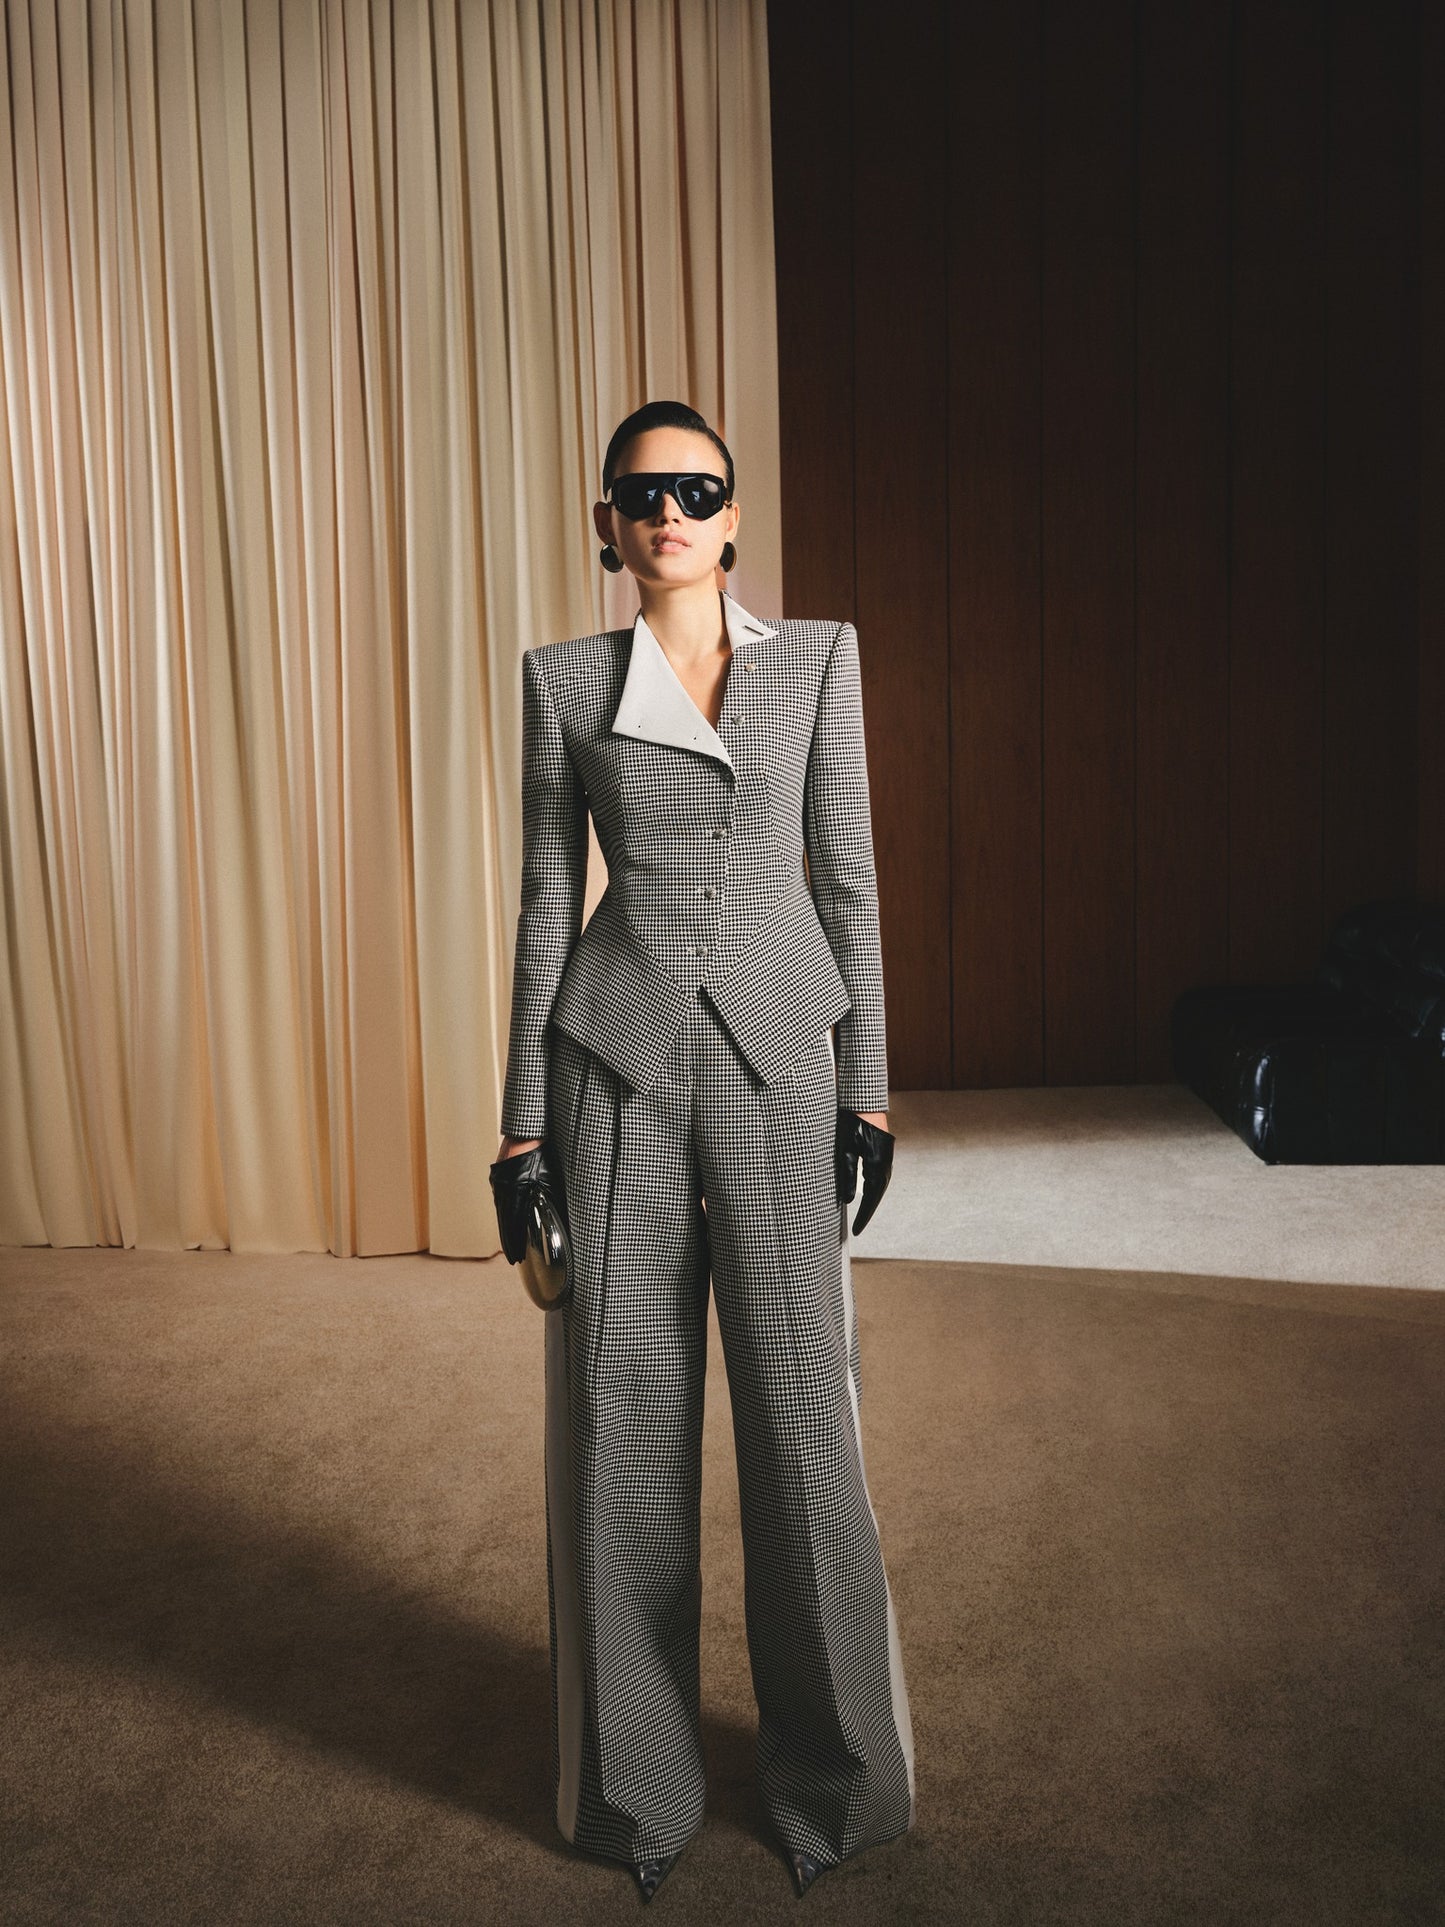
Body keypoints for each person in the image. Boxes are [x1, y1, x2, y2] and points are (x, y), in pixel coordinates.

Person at [490, 400, 915, 1901]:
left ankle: (838, 1778)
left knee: (803, 1420)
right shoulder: (563, 680)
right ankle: (635, 1794)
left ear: (733, 515)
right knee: (623, 1430)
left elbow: (848, 880)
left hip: (780, 1049)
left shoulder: (817, 661)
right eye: (642, 492)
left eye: (696, 488)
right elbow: (547, 902)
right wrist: (520, 1122)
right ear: (606, 524)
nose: (669, 511)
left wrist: (870, 1092)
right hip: (613, 1060)